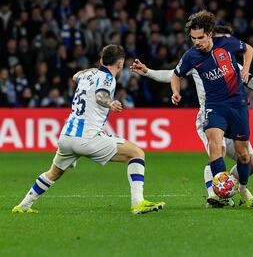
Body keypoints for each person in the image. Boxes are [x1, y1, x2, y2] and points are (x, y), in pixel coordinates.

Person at [129, 25, 253, 207]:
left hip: (234, 110)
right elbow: (173, 74)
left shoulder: (236, 64)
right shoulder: (196, 59)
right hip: (209, 113)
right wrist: (148, 72)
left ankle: (238, 188)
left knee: (250, 164)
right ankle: (215, 195)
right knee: (217, 150)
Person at [12, 45, 165, 215]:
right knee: (136, 153)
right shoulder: (108, 79)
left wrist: (92, 69)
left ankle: (23, 205)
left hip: (66, 137)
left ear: (101, 61)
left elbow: (75, 75)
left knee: (54, 172)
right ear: (120, 64)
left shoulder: (87, 74)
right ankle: (138, 203)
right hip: (87, 138)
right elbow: (100, 95)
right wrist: (110, 103)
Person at [170, 10, 253, 205]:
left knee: (244, 155)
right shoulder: (191, 56)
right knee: (216, 148)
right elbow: (176, 74)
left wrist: (246, 68)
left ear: (210, 34)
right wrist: (176, 92)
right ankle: (221, 194)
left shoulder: (227, 44)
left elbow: (249, 49)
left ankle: (242, 188)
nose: (197, 42)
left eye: (200, 37)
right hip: (214, 106)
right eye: (193, 38)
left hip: (237, 104)